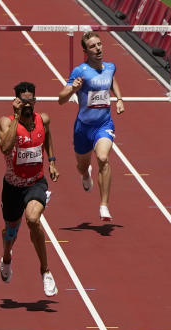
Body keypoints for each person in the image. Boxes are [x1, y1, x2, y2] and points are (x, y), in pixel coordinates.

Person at [0, 81, 60, 297]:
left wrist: (51, 161)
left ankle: (45, 271)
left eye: (31, 100)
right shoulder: (6, 122)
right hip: (12, 187)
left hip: (36, 182)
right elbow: (5, 147)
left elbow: (48, 135)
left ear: (35, 100)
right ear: (16, 101)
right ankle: (6, 257)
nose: (28, 104)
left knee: (33, 220)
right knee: (10, 233)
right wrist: (16, 116)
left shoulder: (44, 119)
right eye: (23, 101)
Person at [58, 31, 124, 222]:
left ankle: (104, 205)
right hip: (83, 128)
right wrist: (73, 88)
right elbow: (60, 99)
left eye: (100, 44)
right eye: (93, 46)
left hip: (103, 125)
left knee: (103, 158)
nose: (98, 48)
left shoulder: (110, 67)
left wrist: (119, 99)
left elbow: (112, 81)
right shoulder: (80, 71)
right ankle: (86, 174)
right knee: (82, 166)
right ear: (86, 51)